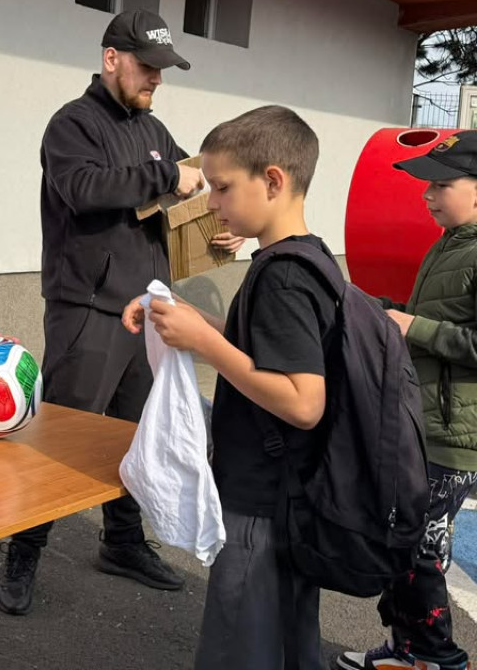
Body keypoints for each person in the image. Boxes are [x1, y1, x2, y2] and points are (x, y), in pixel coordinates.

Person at [0, 8, 243, 616]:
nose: (157, 79)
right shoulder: (71, 125)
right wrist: (166, 176)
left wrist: (222, 224)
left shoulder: (153, 130)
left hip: (146, 304)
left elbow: (194, 184)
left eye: (163, 70)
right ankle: (23, 550)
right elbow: (85, 191)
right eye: (148, 66)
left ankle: (123, 541)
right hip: (87, 307)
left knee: (136, 434)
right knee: (61, 435)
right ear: (111, 59)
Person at [125, 105, 331, 668]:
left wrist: (208, 345)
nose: (210, 203)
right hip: (285, 497)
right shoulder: (305, 258)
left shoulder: (283, 276)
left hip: (261, 505)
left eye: (221, 187)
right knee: (282, 643)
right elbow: (268, 350)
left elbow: (304, 401)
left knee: (241, 644)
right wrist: (194, 324)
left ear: (273, 181)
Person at [336, 132, 477, 670]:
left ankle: (439, 657)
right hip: (427, 425)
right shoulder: (450, 243)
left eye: (442, 184)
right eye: (426, 185)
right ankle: (406, 649)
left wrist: (412, 324)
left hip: (453, 436)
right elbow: (428, 316)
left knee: (418, 549)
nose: (427, 194)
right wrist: (376, 307)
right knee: (410, 542)